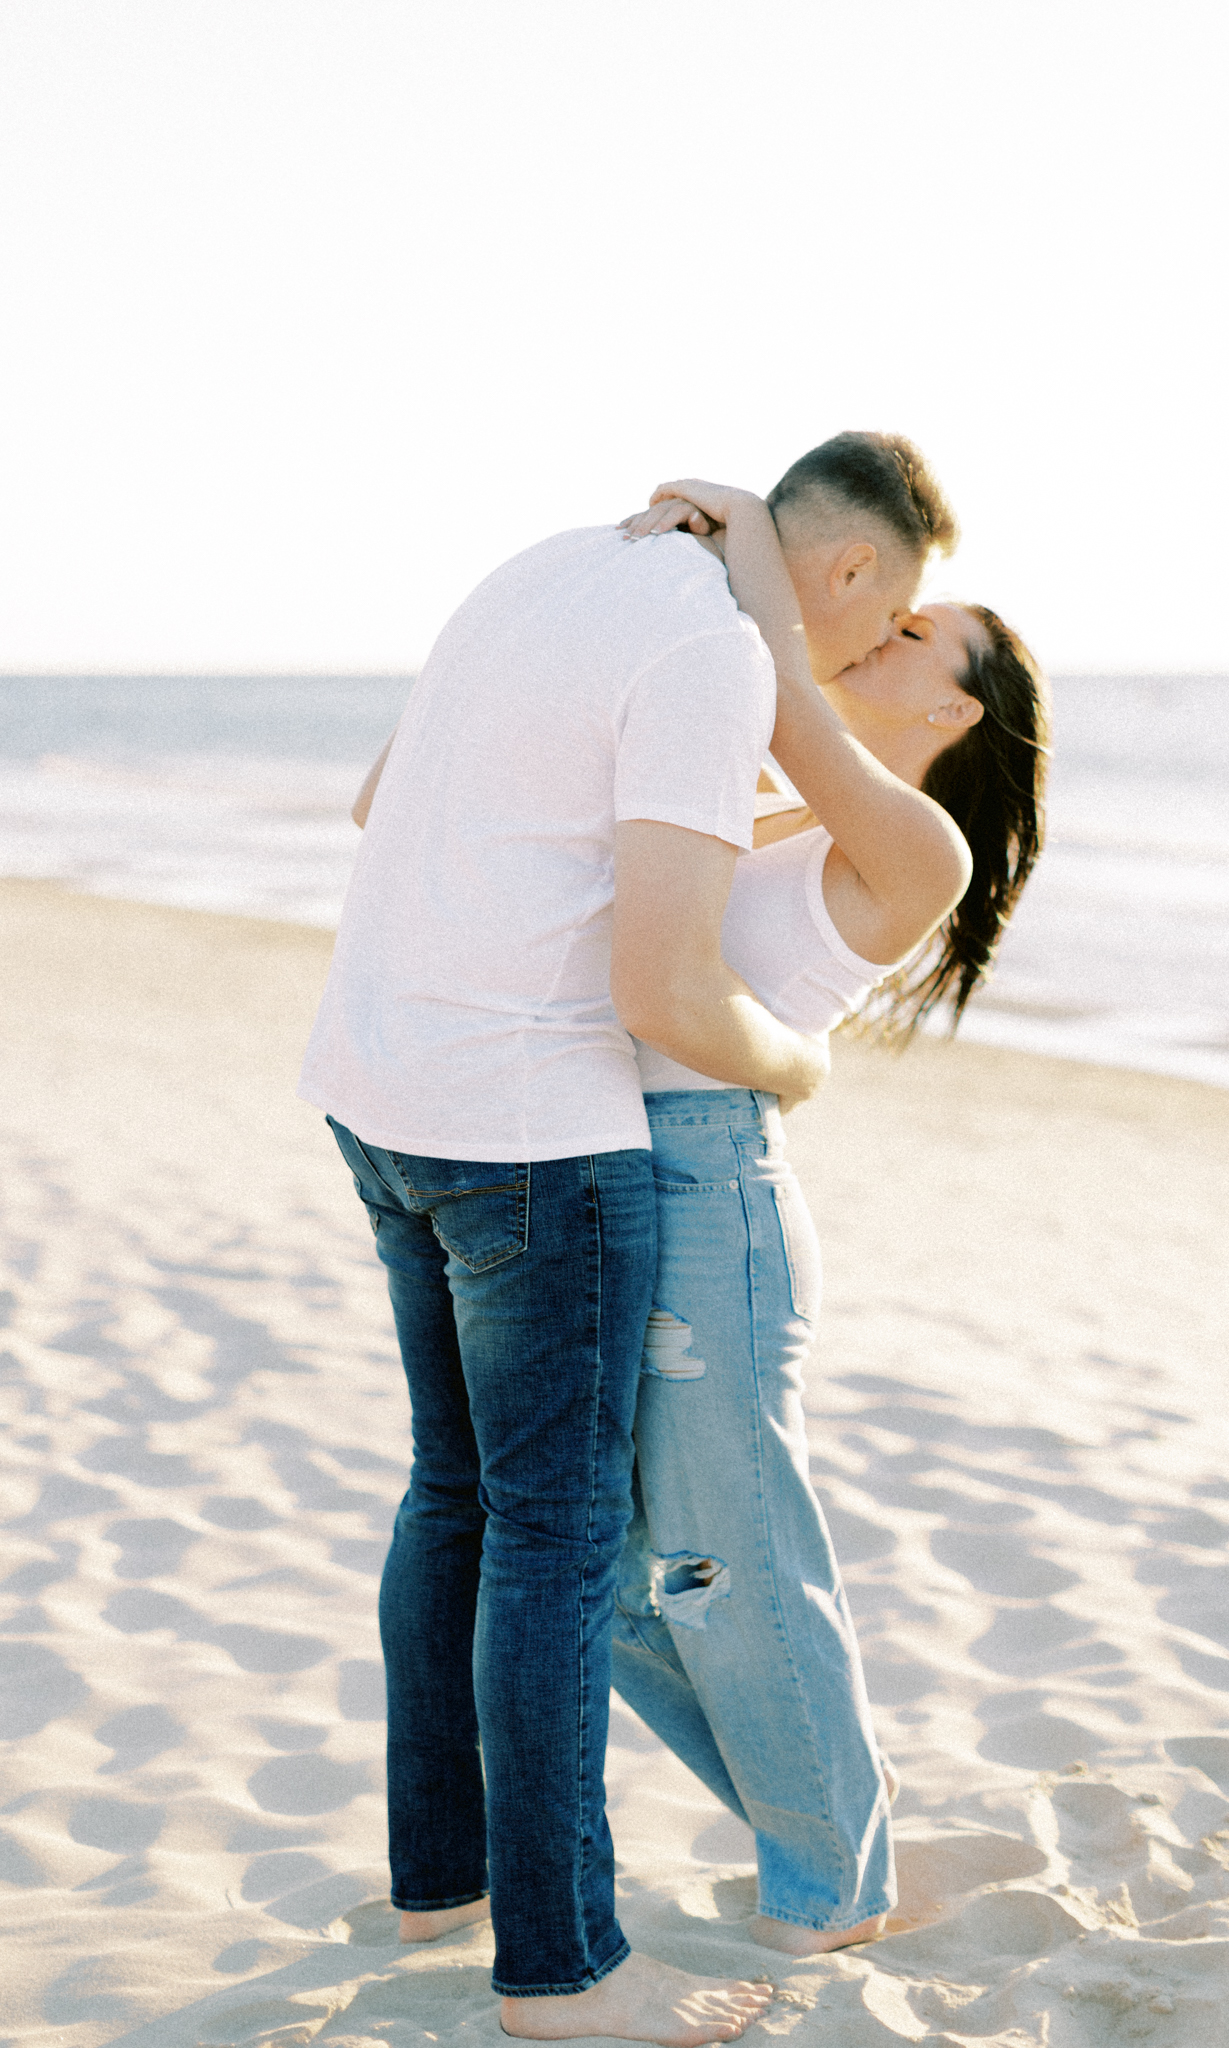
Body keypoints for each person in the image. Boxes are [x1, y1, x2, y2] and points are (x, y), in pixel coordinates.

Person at [298, 431, 952, 2043]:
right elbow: (660, 995)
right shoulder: (713, 650)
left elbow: (381, 802)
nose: (871, 652)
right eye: (886, 619)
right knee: (549, 1539)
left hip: (376, 1088)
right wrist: (799, 1064)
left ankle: (435, 1880)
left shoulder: (543, 568)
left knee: (452, 1497)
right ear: (850, 568)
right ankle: (563, 1974)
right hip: (526, 1131)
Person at [609, 474, 1049, 1956]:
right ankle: (831, 1826)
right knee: (607, 1579)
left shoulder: (914, 842)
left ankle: (832, 1886)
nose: (885, 627)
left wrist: (748, 536)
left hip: (712, 1199)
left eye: (919, 627)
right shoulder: (773, 789)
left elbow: (781, 673)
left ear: (962, 711)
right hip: (616, 1174)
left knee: (737, 1563)